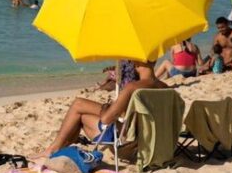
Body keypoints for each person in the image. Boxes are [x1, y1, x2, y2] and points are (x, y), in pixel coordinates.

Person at [30, 60, 167, 158]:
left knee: (78, 105)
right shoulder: (166, 89)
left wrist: (108, 107)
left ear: (137, 64)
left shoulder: (133, 87)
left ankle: (54, 149)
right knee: (81, 114)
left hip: (130, 148)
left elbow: (107, 119)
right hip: (156, 147)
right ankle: (57, 149)